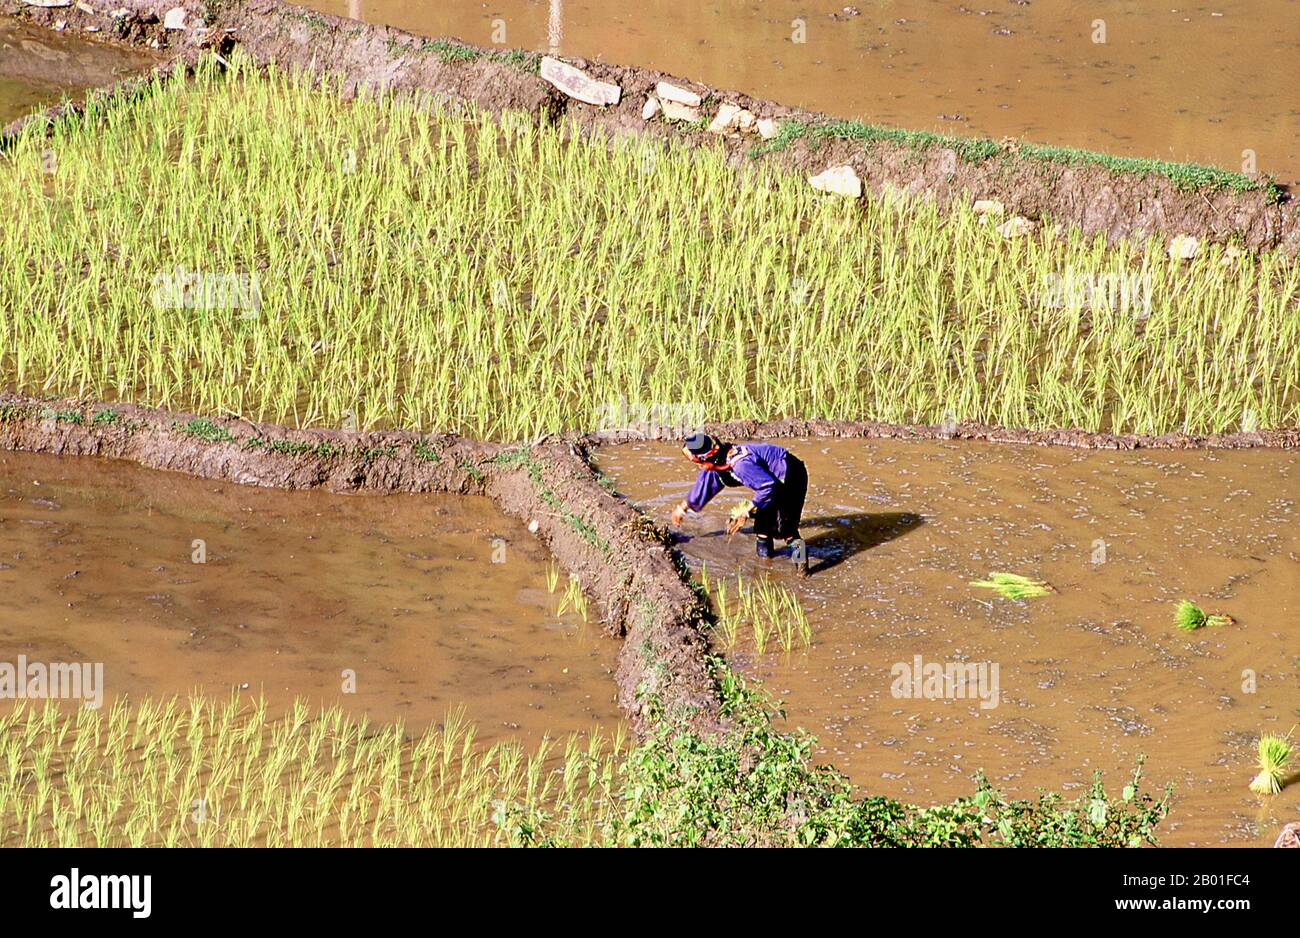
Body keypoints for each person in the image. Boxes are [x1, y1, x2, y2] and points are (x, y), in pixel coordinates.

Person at [669, 432, 809, 573]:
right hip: (770, 482)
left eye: (696, 462)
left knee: (786, 530)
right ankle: (766, 570)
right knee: (762, 529)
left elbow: (767, 487)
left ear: (706, 457)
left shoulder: (740, 465)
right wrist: (682, 508)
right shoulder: (719, 462)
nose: (698, 466)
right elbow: (705, 485)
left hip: (790, 475)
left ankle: (803, 573)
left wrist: (746, 512)